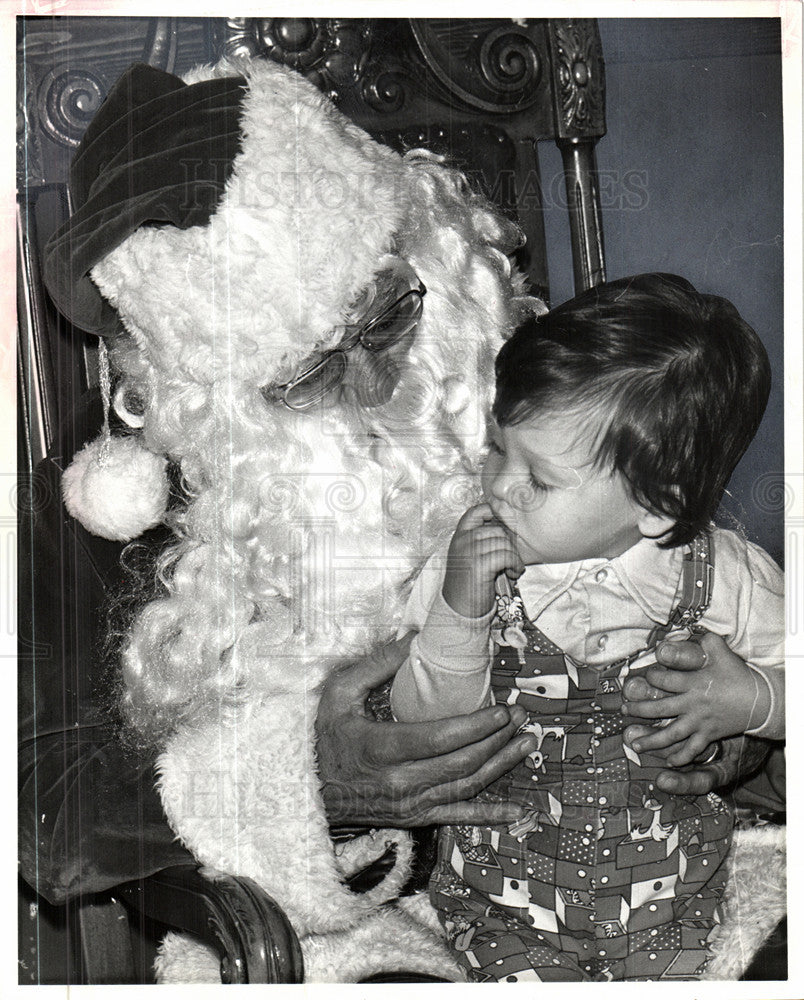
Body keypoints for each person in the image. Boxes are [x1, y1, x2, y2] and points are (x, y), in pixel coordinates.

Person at [21, 52, 768, 981]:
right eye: (308, 373)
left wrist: (735, 732)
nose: (375, 378)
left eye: (384, 319)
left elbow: (725, 603)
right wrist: (305, 776)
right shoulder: (101, 515)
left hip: (638, 863)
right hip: (358, 917)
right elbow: (46, 808)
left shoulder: (538, 393)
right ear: (209, 388)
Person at [390, 273, 784, 981]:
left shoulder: (725, 578)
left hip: (675, 900)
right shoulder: (472, 562)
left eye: (538, 477)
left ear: (658, 504)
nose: (502, 484)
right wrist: (461, 610)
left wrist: (750, 700)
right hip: (502, 904)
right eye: (496, 448)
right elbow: (423, 723)